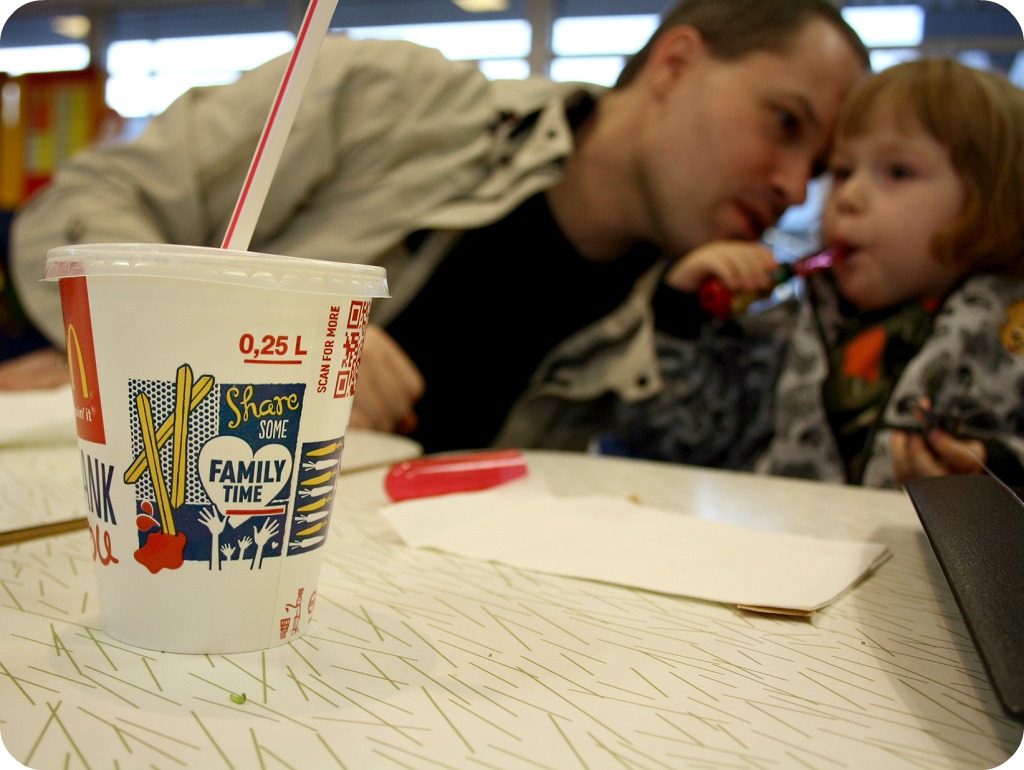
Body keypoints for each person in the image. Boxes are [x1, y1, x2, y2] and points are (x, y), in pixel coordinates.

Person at [3, 0, 868, 453]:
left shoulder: (664, 322)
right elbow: (84, 204)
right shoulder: (387, 97)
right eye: (785, 122)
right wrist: (241, 334)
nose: (795, 187)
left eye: (820, 168)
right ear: (675, 64)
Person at [604, 58, 1024, 488]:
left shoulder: (1012, 338)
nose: (849, 197)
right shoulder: (788, 331)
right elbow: (684, 440)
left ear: (994, 202)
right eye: (842, 172)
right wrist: (680, 312)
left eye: (898, 172)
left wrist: (997, 468)